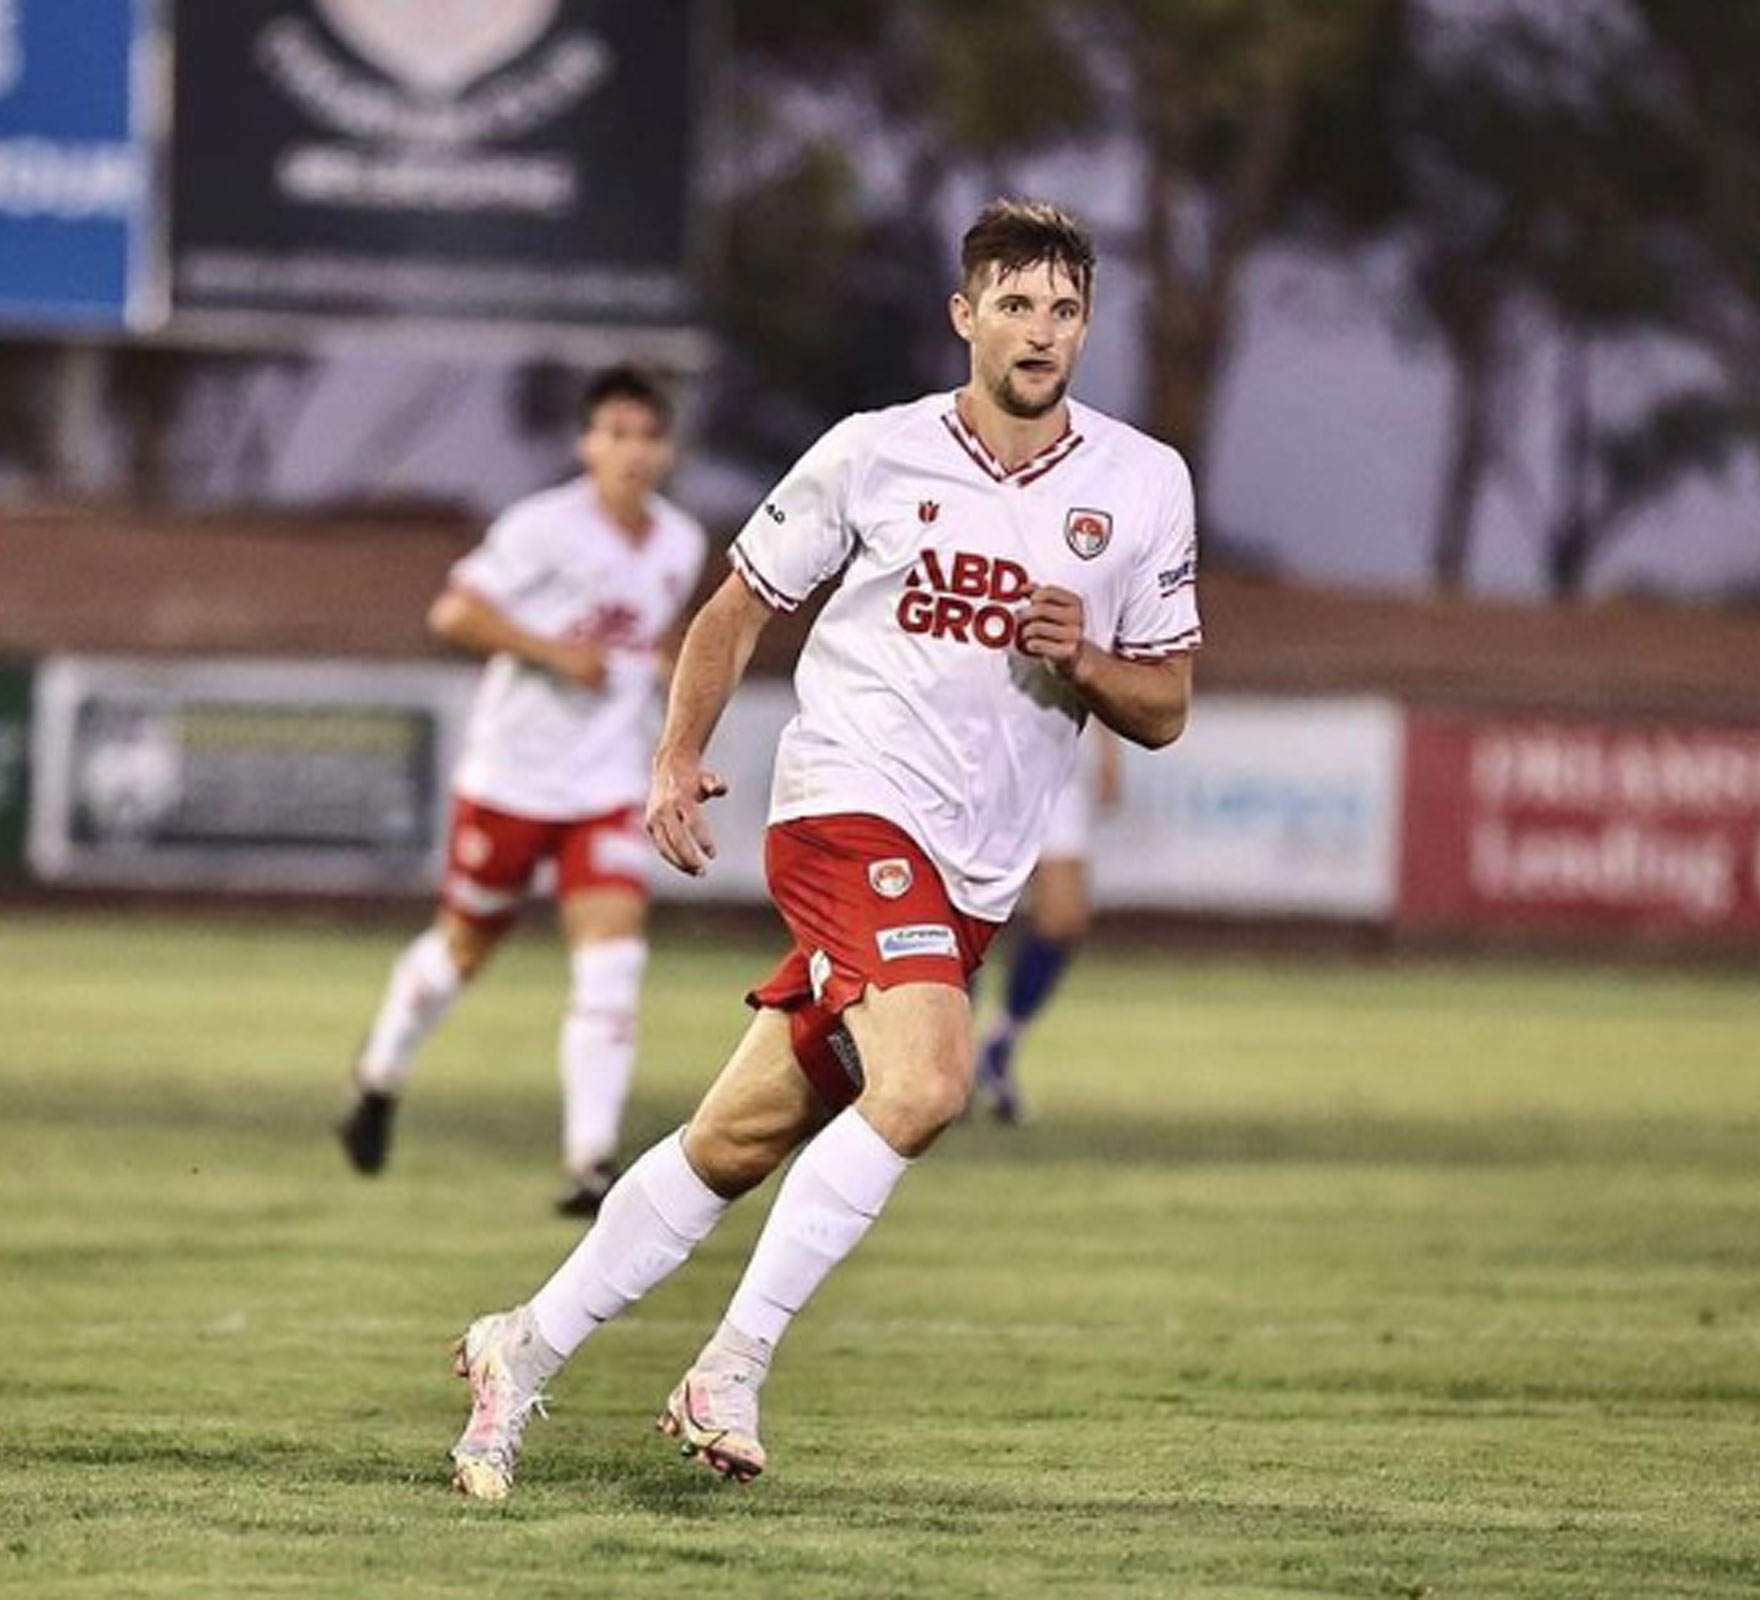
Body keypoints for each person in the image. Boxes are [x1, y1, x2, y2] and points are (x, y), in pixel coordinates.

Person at [442, 199, 1202, 1500]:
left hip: (971, 874)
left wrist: (1083, 653)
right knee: (922, 1086)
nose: (1041, 330)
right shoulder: (874, 454)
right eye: (1014, 304)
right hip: (848, 808)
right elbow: (735, 613)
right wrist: (677, 755)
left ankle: (525, 1343)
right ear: (965, 316)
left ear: (1087, 325)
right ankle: (732, 1363)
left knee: (733, 1143)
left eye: (1065, 308)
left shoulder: (1142, 484)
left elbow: (1169, 703)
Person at [339, 365, 708, 1217]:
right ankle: (379, 1074)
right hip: (510, 776)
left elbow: (648, 638)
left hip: (608, 784)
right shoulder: (543, 526)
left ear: (667, 448)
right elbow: (454, 614)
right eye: (614, 432)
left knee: (613, 964)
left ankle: (589, 1161)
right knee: (463, 949)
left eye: (646, 434)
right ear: (586, 443)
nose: (631, 450)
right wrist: (550, 651)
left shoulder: (681, 542)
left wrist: (666, 686)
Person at [972, 720, 1121, 1124]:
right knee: (952, 911)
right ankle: (944, 1056)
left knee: (1065, 920)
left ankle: (998, 1046)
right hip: (983, 748)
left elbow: (1100, 655)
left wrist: (1108, 747)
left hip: (1061, 750)